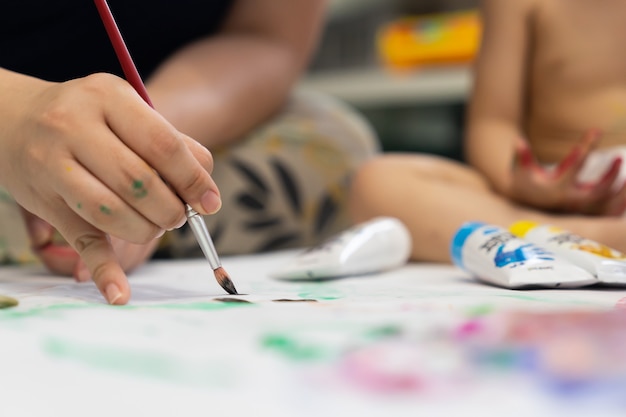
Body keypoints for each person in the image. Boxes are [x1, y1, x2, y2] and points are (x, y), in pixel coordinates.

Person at [0, 0, 378, 304]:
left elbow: (268, 37)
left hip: (181, 102)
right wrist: (16, 122)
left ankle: (123, 211)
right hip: (14, 111)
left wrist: (149, 144)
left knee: (333, 149)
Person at [348, 0, 626, 263]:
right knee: (378, 183)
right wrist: (523, 184)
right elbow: (492, 123)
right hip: (542, 199)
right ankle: (591, 238)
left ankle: (565, 240)